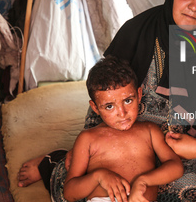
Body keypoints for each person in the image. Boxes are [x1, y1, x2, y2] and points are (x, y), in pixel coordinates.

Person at [18, 0, 196, 202]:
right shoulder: (137, 31)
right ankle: (53, 162)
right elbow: (104, 89)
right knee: (84, 187)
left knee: (191, 190)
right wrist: (90, 142)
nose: (195, 6)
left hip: (180, 150)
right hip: (124, 137)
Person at [63, 56, 183, 202]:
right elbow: (69, 192)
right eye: (109, 106)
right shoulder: (88, 138)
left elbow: (175, 166)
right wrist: (99, 176)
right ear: (95, 107)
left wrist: (144, 181)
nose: (122, 113)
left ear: (139, 95)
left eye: (127, 101)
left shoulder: (149, 131)